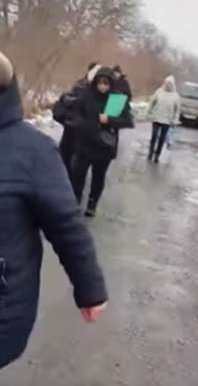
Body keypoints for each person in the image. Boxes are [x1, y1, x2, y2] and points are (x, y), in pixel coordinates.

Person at [0, 51, 108, 369]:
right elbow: (63, 112)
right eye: (97, 81)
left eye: (104, 82)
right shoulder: (80, 93)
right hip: (80, 146)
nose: (100, 85)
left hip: (99, 148)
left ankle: (93, 203)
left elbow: (65, 224)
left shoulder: (31, 151)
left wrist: (90, 288)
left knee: (91, 182)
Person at [70, 66, 134, 217]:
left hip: (104, 145)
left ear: (111, 84)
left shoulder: (117, 99)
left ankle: (92, 204)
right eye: (100, 82)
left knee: (98, 176)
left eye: (106, 83)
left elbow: (128, 121)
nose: (103, 86)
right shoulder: (87, 95)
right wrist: (84, 124)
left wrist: (109, 120)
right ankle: (75, 202)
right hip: (85, 143)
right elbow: (76, 114)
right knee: (78, 175)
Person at [146, 75, 181, 163]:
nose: (168, 85)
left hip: (167, 121)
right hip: (156, 118)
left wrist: (175, 120)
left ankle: (157, 154)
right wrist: (148, 112)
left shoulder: (176, 96)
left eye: (170, 83)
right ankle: (151, 151)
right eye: (167, 83)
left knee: (162, 138)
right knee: (154, 136)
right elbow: (152, 101)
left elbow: (177, 110)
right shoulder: (159, 91)